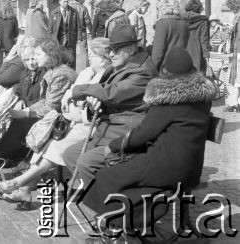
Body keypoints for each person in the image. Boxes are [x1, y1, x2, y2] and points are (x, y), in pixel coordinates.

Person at [83, 47, 216, 240]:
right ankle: (125, 222)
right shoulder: (203, 98)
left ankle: (120, 225)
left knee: (107, 175)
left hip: (165, 165)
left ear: (166, 72)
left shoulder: (168, 98)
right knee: (125, 175)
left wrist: (114, 145)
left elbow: (143, 134)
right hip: (190, 168)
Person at [0, 38, 112, 207]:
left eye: (92, 55)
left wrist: (25, 113)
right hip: (67, 119)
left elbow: (58, 105)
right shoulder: (85, 72)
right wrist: (26, 111)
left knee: (43, 137)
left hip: (84, 124)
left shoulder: (65, 74)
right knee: (41, 136)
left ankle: (18, 182)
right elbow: (65, 98)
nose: (34, 58)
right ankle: (24, 189)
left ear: (102, 58)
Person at [62, 24, 158, 184]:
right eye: (110, 49)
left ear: (132, 48)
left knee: (84, 162)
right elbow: (105, 92)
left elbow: (112, 93)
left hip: (124, 134)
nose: (111, 54)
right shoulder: (123, 66)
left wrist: (75, 91)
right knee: (70, 154)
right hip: (107, 128)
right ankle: (99, 192)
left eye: (117, 49)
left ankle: (107, 198)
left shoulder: (142, 72)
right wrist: (95, 102)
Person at [151, 0, 189, 71]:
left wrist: (152, 70)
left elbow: (158, 52)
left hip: (166, 68)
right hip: (183, 66)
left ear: (163, 8)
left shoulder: (162, 24)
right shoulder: (184, 24)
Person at [48, 0, 80, 69]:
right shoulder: (54, 13)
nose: (66, 3)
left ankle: (72, 76)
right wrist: (50, 41)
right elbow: (50, 29)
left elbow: (78, 26)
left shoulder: (73, 12)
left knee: (71, 60)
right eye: (64, 2)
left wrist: (78, 37)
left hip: (71, 40)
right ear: (59, 2)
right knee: (60, 60)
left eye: (67, 1)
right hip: (58, 41)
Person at [183, 0, 210, 73]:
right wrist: (206, 54)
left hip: (182, 47)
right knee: (196, 75)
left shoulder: (180, 18)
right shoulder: (203, 20)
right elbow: (204, 39)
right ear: (199, 8)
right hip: (196, 49)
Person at [225, 0, 240, 112]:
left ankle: (236, 103)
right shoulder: (236, 18)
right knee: (236, 78)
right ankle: (236, 102)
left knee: (237, 78)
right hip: (237, 50)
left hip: (239, 50)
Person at [72, 0, 93, 71]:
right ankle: (85, 70)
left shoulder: (69, 7)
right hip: (82, 33)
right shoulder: (83, 8)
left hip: (71, 33)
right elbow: (88, 22)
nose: (84, 0)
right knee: (83, 52)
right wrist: (92, 32)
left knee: (73, 51)